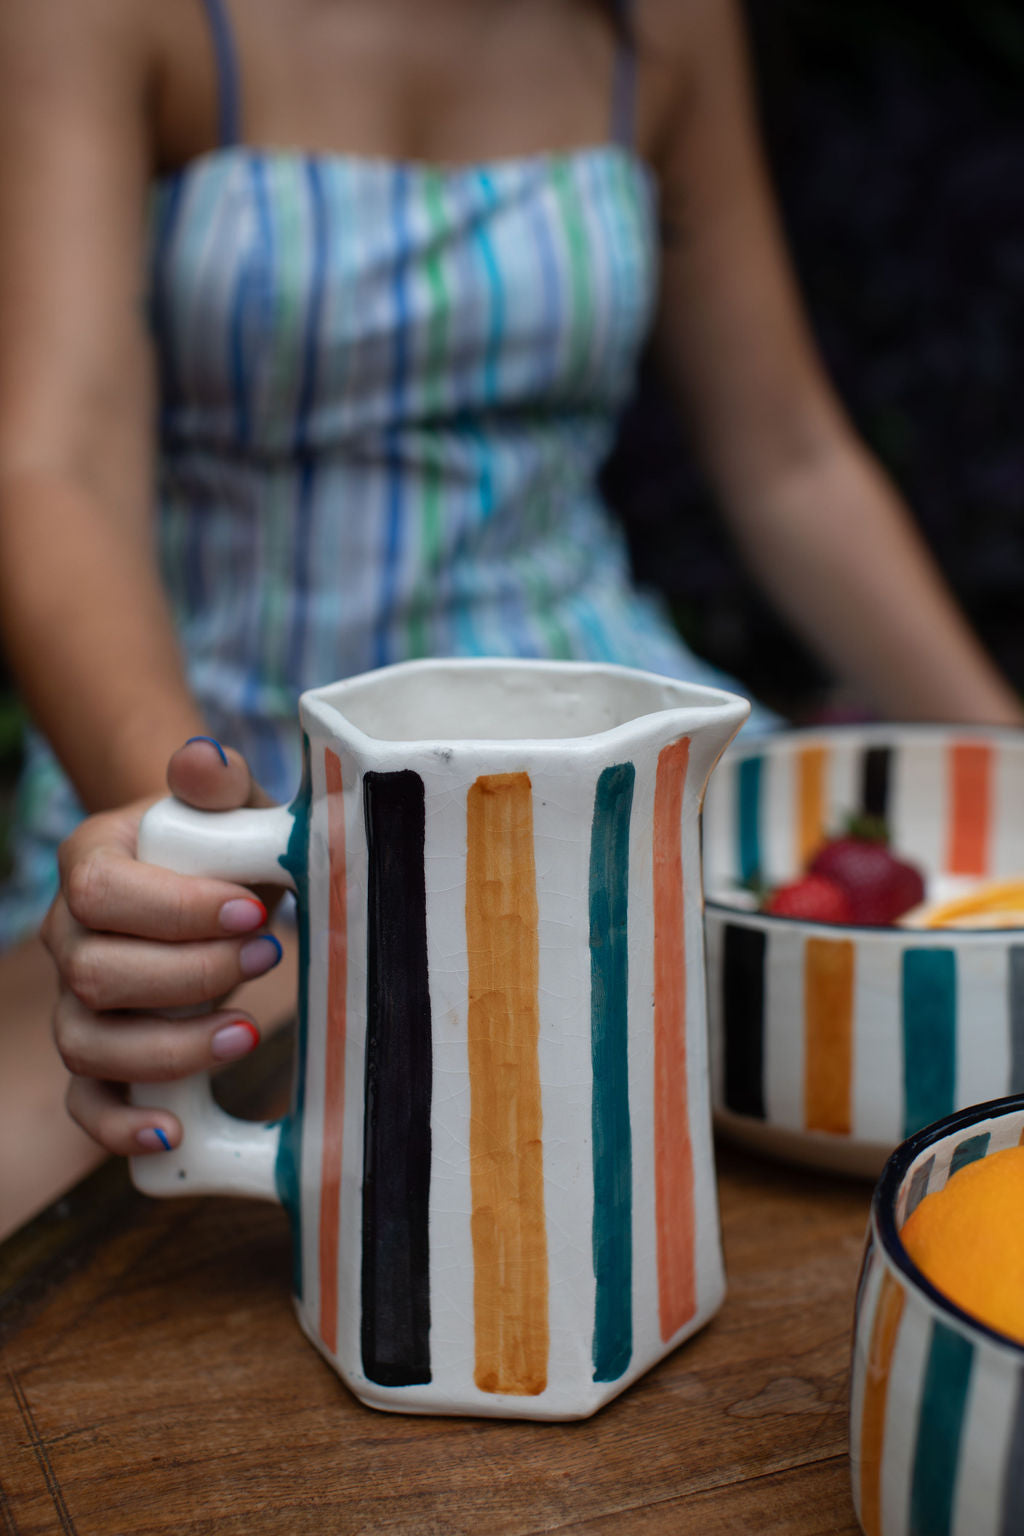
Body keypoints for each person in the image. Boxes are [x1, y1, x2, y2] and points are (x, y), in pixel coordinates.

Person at [0, 0, 1020, 1234]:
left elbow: (790, 463)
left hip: (603, 746)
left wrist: (1008, 766)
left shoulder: (665, 23)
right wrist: (198, 848)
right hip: (223, 741)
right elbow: (55, 463)